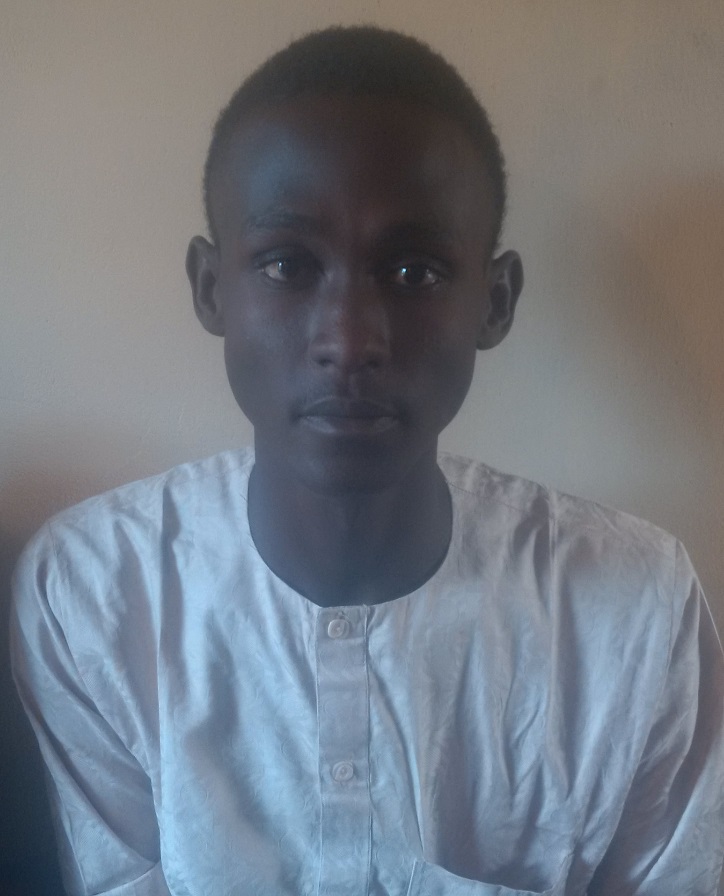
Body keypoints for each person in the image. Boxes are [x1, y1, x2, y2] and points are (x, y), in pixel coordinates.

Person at [10, 25, 724, 896]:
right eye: (287, 265)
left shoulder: (637, 612)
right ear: (210, 288)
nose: (349, 341)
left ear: (495, 303)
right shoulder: (93, 595)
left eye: (414, 271)